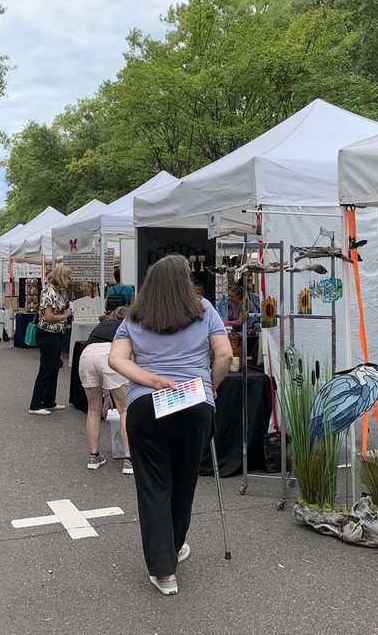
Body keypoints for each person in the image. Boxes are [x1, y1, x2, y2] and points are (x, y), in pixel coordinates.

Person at [108, 254, 232, 596]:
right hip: (195, 403)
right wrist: (212, 388)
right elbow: (224, 356)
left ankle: (165, 572)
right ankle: (175, 545)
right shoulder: (204, 309)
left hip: (146, 406)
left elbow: (116, 359)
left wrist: (151, 379)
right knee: (184, 480)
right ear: (185, 279)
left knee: (153, 486)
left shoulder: (135, 315)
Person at [79, 306, 133, 475]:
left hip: (87, 355)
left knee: (93, 408)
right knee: (124, 409)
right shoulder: (128, 327)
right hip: (111, 353)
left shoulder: (101, 325)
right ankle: (129, 459)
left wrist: (106, 395)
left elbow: (97, 358)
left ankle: (93, 456)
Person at [28, 263, 72, 415]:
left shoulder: (55, 291)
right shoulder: (49, 291)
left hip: (55, 333)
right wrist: (65, 315)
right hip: (49, 333)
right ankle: (35, 405)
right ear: (61, 277)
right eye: (68, 277)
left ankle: (48, 401)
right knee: (47, 369)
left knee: (54, 368)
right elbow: (48, 317)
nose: (70, 280)